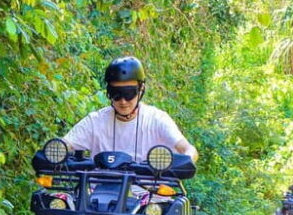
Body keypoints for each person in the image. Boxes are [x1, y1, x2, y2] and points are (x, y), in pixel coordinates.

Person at [62, 56, 199, 163]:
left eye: (129, 93)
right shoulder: (95, 121)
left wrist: (186, 160)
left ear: (141, 90)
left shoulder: (157, 120)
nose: (123, 101)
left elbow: (187, 148)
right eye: (116, 94)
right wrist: (57, 150)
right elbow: (66, 143)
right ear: (108, 92)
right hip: (98, 194)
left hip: (150, 194)